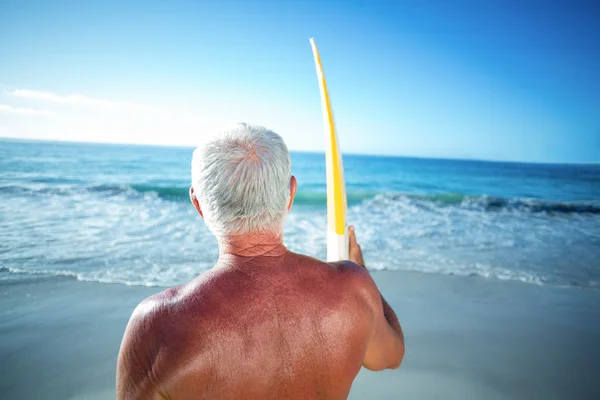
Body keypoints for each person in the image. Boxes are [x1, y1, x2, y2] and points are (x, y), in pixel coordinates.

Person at [116, 123, 404, 400]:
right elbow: (391, 357)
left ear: (199, 204)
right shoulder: (353, 289)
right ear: (291, 193)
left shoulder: (158, 326)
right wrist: (361, 273)